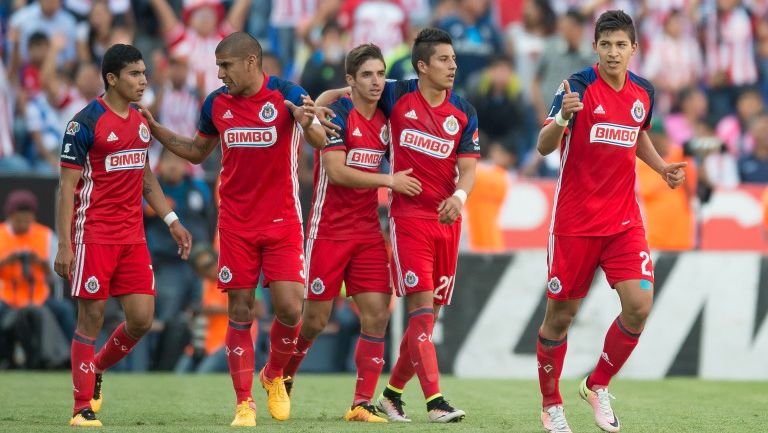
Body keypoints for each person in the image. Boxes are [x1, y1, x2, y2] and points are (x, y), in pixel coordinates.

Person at [140, 31, 327, 426]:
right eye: (218, 66)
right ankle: (244, 402)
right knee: (240, 310)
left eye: (226, 65)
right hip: (236, 223)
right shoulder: (216, 103)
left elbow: (317, 137)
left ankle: (274, 374)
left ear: (251, 62)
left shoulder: (287, 93)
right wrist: (156, 130)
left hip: (282, 220)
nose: (220, 73)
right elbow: (196, 150)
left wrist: (306, 122)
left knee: (291, 308)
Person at [534, 11, 686, 433]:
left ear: (633, 48)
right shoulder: (576, 87)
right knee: (560, 318)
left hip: (623, 222)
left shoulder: (644, 91)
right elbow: (545, 146)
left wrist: (660, 168)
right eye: (606, 45)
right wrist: (563, 117)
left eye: (621, 45)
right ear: (595, 48)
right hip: (575, 223)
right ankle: (551, 405)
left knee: (639, 306)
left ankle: (597, 384)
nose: (614, 52)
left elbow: (636, 132)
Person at [317, 27, 479, 423]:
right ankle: (436, 401)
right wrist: (320, 104)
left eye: (453, 59)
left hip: (446, 223)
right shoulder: (395, 92)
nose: (452, 66)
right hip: (407, 221)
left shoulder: (464, 111)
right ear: (421, 66)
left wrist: (459, 198)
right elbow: (351, 90)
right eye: (443, 59)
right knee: (420, 311)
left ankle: (391, 394)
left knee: (430, 316)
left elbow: (470, 169)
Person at [54, 44, 192, 427]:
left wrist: (172, 220)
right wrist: (65, 244)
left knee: (142, 319)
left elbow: (146, 178)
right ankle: (82, 407)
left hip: (132, 237)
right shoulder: (83, 124)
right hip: (93, 234)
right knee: (91, 319)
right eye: (134, 73)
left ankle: (95, 368)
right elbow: (66, 188)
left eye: (145, 72)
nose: (143, 80)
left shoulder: (142, 121)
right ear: (111, 79)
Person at [282, 43, 421, 423]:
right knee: (314, 321)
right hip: (326, 230)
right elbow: (337, 171)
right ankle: (283, 375)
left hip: (366, 232)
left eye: (380, 74)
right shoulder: (337, 114)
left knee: (378, 314)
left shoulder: (387, 120)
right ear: (350, 81)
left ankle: (361, 403)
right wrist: (388, 180)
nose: (376, 82)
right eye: (367, 75)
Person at [0, 189, 71, 369]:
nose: (23, 223)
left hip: (39, 297)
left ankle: (71, 359)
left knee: (65, 311)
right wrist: (5, 261)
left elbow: (57, 276)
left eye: (27, 219)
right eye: (19, 219)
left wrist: (42, 264)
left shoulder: (45, 236)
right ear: (10, 216)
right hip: (8, 297)